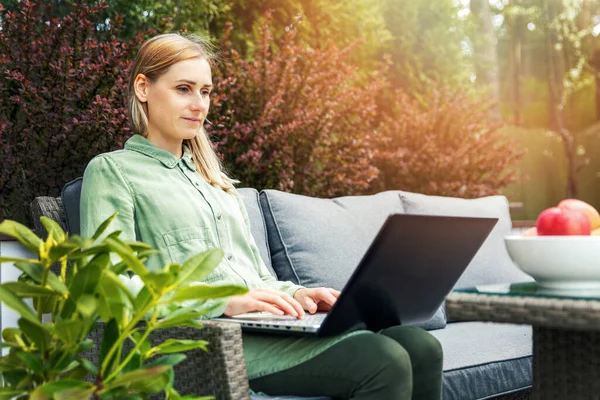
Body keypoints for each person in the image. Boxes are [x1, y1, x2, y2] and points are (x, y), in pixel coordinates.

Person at [80, 32, 443, 400]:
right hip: (202, 340)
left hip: (262, 328)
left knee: (421, 346)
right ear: (143, 87)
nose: (198, 104)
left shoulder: (217, 184)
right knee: (385, 360)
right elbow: (108, 289)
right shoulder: (113, 172)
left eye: (205, 92)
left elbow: (255, 278)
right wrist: (222, 301)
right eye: (184, 89)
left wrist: (300, 293)